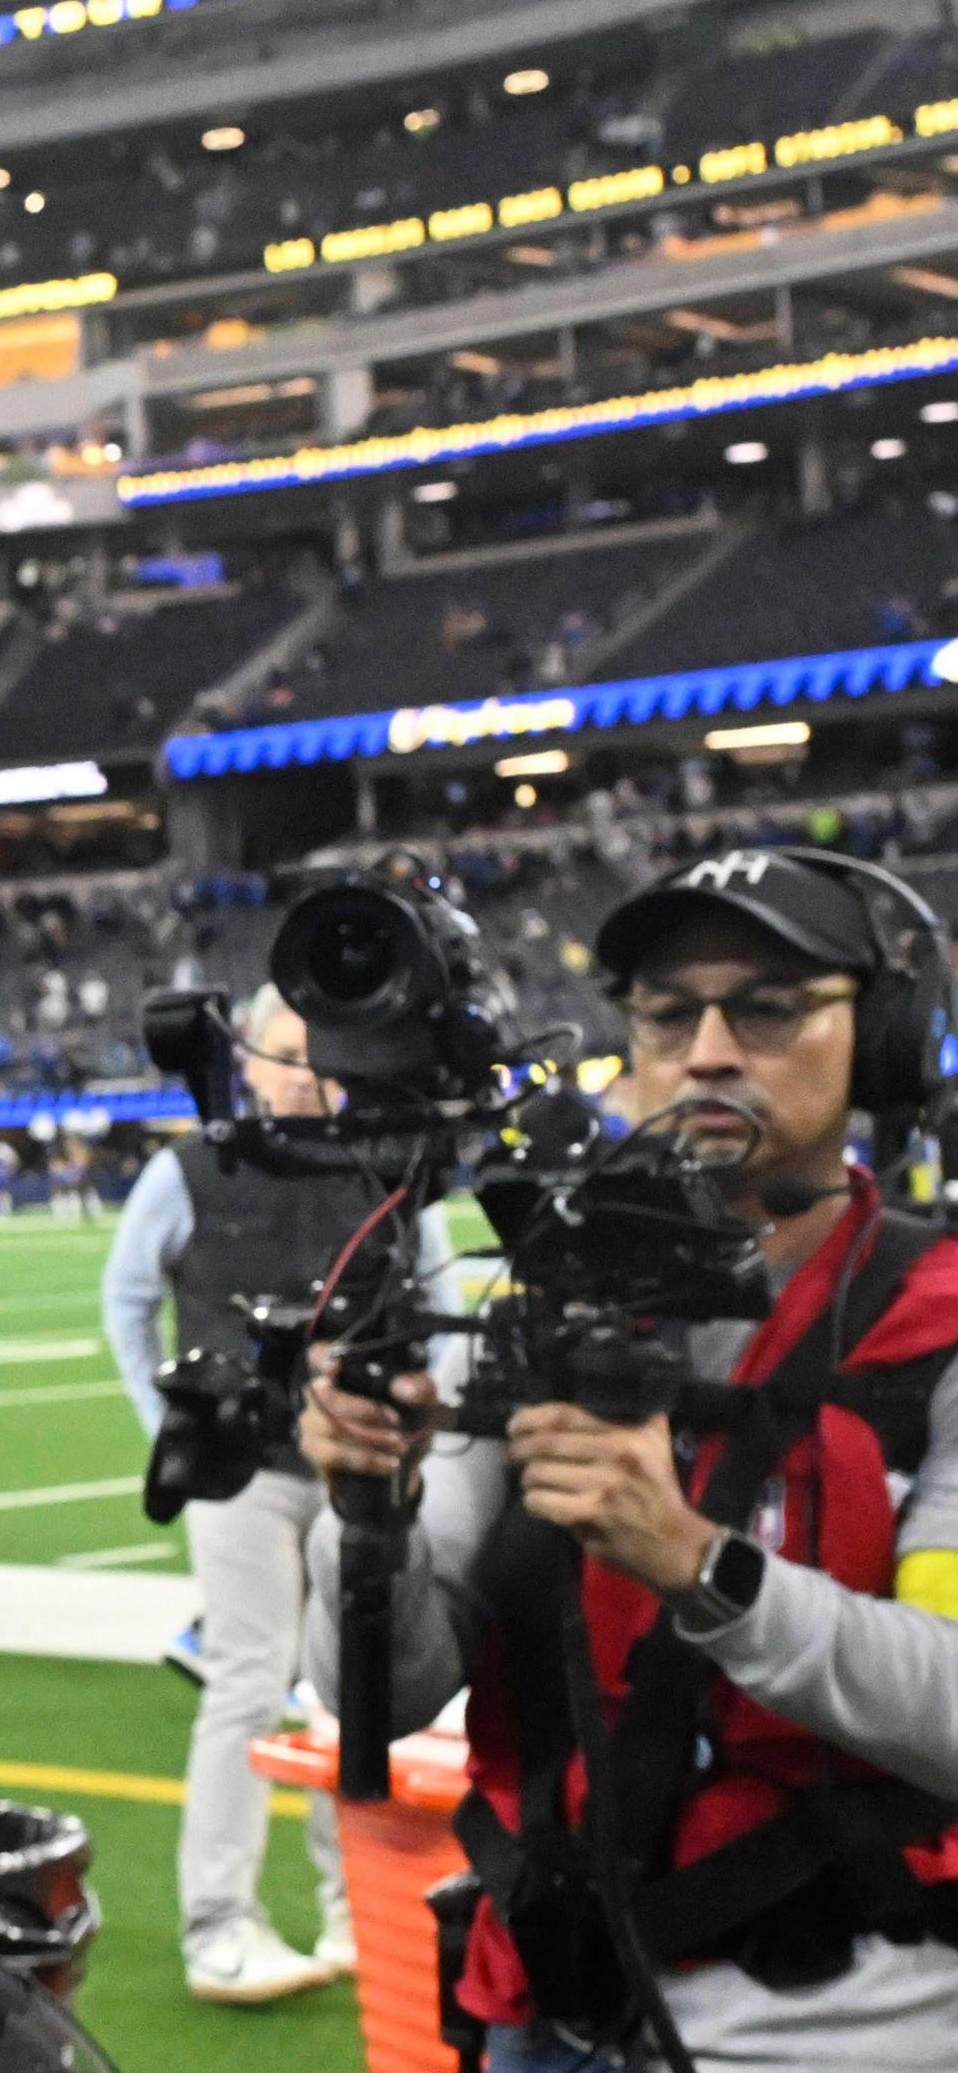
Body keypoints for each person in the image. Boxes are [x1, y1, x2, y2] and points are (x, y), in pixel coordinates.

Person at [301, 847, 958, 2069]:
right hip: (542, 2011)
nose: (707, 1049)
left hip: (847, 2023)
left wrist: (696, 1565)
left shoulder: (945, 1317)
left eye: (767, 1005)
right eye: (667, 1012)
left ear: (885, 1039)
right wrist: (364, 1517)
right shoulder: (538, 1307)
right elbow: (376, 1701)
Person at [104, 985, 452, 2003]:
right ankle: (219, 1922)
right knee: (250, 1680)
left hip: (359, 1472)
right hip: (245, 1467)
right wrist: (173, 1427)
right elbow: (127, 1300)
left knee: (354, 1694)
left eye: (321, 1051)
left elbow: (442, 1298)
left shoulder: (385, 1167)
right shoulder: (190, 1167)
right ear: (247, 1057)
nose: (304, 1070)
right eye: (287, 1050)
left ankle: (354, 1911)